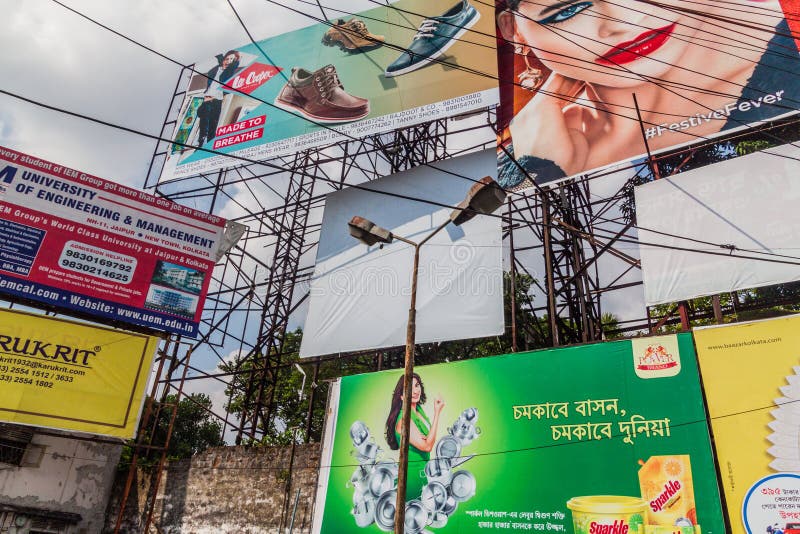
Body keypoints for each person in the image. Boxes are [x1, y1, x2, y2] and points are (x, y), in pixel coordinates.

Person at [496, 0, 800, 187]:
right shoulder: (527, 147)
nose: (622, 20)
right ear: (515, 32)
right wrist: (538, 171)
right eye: (570, 9)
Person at [384, 373, 445, 500]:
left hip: (424, 473)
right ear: (401, 396)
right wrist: (437, 412)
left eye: (417, 385)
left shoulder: (418, 411)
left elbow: (428, 440)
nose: (415, 391)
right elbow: (427, 445)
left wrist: (426, 440)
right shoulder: (404, 419)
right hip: (411, 477)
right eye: (409, 388)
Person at [196, 50, 241, 146]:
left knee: (213, 123)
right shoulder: (215, 70)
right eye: (227, 59)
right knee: (203, 118)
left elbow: (234, 65)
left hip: (218, 100)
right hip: (208, 97)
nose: (229, 61)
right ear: (223, 60)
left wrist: (235, 59)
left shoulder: (229, 72)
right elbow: (214, 69)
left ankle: (209, 143)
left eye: (231, 59)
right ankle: (201, 141)